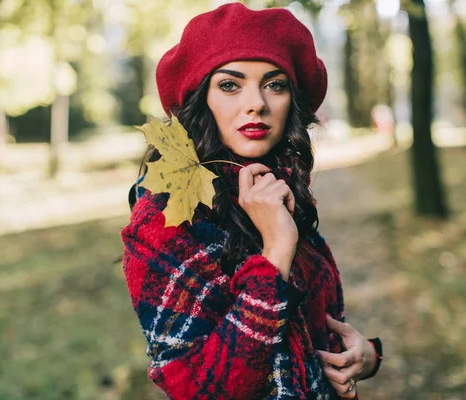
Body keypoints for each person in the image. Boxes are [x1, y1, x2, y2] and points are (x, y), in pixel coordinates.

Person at [121, 3, 382, 399]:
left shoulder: (282, 192)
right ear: (199, 100)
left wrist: (362, 357)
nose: (256, 102)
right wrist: (275, 254)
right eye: (230, 85)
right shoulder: (165, 220)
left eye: (274, 84)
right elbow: (202, 389)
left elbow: (315, 332)